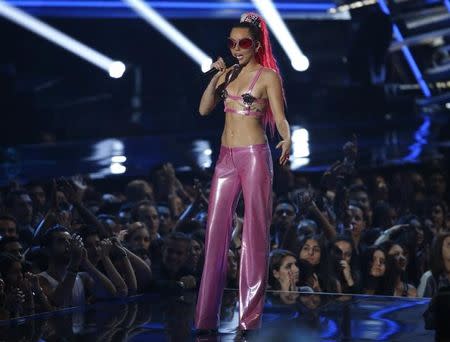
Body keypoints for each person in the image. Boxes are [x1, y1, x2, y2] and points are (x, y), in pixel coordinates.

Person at [195, 12, 291, 334]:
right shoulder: (227, 75)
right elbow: (203, 109)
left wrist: (287, 137)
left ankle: (249, 320)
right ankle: (205, 319)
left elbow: (279, 118)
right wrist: (215, 77)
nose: (237, 48)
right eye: (232, 43)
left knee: (254, 234)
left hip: (253, 156)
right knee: (214, 235)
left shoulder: (267, 76)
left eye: (244, 43)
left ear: (256, 44)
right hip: (225, 158)